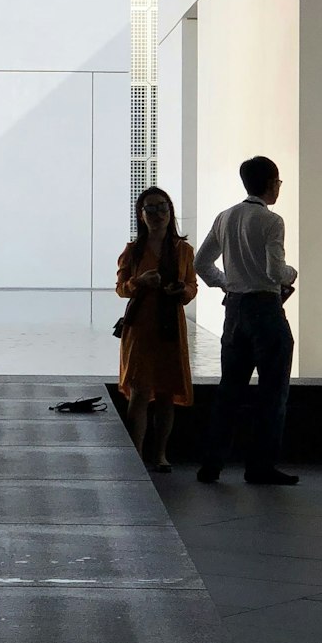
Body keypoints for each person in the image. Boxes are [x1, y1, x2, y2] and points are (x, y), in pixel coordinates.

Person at [193, 155, 298, 486]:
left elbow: (201, 263)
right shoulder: (272, 221)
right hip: (266, 309)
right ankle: (260, 466)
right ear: (270, 183)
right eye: (278, 182)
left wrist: (227, 283)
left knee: (230, 390)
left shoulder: (225, 217)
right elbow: (274, 271)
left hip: (234, 311)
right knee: (272, 390)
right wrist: (292, 273)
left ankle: (212, 463)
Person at [116, 187, 197, 471]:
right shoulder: (133, 251)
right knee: (139, 391)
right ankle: (136, 454)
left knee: (165, 392)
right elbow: (121, 288)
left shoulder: (183, 250)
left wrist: (181, 290)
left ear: (170, 211)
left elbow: (192, 286)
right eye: (150, 209)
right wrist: (139, 282)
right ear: (141, 215)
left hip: (169, 327)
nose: (157, 214)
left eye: (162, 208)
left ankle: (160, 454)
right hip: (140, 329)